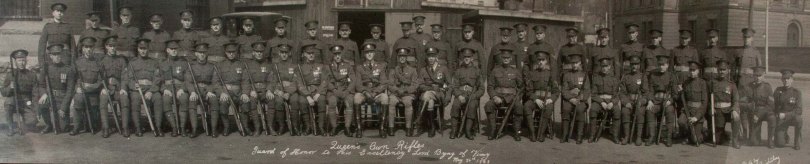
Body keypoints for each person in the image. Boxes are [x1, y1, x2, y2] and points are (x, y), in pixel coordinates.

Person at [124, 39, 164, 137]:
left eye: (145, 48)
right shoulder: (132, 63)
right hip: (137, 90)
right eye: (141, 48)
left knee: (158, 98)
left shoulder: (154, 62)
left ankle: (158, 127)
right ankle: (138, 128)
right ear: (137, 49)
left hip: (151, 89)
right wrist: (134, 85)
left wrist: (151, 91)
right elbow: (128, 79)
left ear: (148, 49)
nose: (143, 51)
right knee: (135, 99)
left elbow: (157, 78)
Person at [485, 49, 524, 141]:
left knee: (519, 107)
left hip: (512, 98)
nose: (505, 59)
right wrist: (494, 97)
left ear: (511, 59)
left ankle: (517, 131)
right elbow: (490, 86)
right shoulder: (495, 70)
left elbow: (521, 87)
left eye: (508, 58)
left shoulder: (516, 71)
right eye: (504, 58)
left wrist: (517, 98)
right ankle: (493, 129)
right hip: (499, 97)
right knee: (488, 105)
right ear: (501, 58)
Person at [37, 44, 76, 134]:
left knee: (62, 128)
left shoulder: (68, 70)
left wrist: (63, 107)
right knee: (42, 103)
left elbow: (70, 90)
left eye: (59, 54)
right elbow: (41, 84)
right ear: (50, 56)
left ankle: (59, 117)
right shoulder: (46, 69)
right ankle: (48, 124)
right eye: (54, 55)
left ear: (62, 55)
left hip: (62, 99)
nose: (57, 57)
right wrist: (44, 94)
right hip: (50, 97)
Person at [522, 50, 559, 142]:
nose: (540, 62)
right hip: (536, 99)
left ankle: (542, 133)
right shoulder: (532, 73)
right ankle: (532, 132)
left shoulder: (551, 74)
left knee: (549, 108)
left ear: (546, 61)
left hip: (547, 100)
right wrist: (535, 99)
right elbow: (529, 91)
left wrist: (551, 99)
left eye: (543, 60)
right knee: (526, 106)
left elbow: (556, 91)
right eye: (539, 60)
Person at [354, 43, 389, 138]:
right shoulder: (359, 67)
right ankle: (359, 128)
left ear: (374, 53)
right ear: (364, 54)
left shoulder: (380, 66)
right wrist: (365, 92)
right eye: (367, 52)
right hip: (365, 93)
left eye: (371, 52)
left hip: (376, 93)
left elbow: (384, 83)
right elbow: (357, 84)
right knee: (356, 97)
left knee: (385, 97)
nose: (369, 54)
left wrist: (376, 92)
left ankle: (382, 128)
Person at [214, 42, 249, 136]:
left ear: (236, 52)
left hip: (239, 92)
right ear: (225, 52)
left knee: (245, 102)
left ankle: (245, 126)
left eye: (233, 52)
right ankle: (226, 127)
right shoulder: (220, 65)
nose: (231, 54)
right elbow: (216, 82)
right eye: (229, 52)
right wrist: (221, 93)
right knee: (223, 103)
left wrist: (245, 93)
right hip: (226, 92)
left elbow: (245, 80)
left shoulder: (242, 64)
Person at [71, 37, 103, 136]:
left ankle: (89, 124)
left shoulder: (98, 62)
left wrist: (92, 86)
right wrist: (77, 88)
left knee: (92, 126)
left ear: (93, 48)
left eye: (91, 47)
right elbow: (73, 79)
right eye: (86, 47)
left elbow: (101, 80)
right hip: (81, 91)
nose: (88, 49)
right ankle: (76, 127)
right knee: (78, 98)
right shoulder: (77, 62)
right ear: (83, 48)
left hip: (93, 93)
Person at [450, 48, 484, 140]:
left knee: (472, 106)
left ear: (472, 58)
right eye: (465, 57)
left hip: (472, 95)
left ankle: (468, 130)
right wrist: (459, 95)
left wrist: (475, 96)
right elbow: (454, 86)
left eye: (468, 57)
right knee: (455, 105)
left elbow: (481, 88)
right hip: (461, 94)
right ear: (462, 58)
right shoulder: (458, 71)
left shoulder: (477, 71)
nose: (466, 58)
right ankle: (454, 130)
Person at [2, 50, 37, 136]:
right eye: (19, 60)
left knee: (32, 122)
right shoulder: (10, 74)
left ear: (26, 61)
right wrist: (10, 87)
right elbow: (3, 92)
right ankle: (10, 128)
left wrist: (34, 107)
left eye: (23, 60)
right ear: (15, 62)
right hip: (14, 100)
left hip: (26, 101)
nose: (22, 63)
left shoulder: (32, 75)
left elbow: (35, 92)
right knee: (8, 102)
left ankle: (24, 124)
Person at [736, 28, 764, 141]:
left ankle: (754, 132)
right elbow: (734, 69)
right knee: (742, 108)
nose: (746, 39)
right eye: (745, 37)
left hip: (752, 85)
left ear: (752, 38)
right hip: (741, 84)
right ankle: (744, 131)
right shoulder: (738, 52)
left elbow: (760, 70)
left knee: (753, 108)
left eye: (748, 37)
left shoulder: (756, 52)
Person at [186, 43, 219, 138]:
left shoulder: (212, 66)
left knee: (214, 100)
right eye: (200, 52)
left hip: (208, 90)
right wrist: (192, 92)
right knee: (192, 101)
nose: (202, 54)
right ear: (196, 53)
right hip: (196, 90)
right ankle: (194, 129)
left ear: (207, 53)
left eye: (204, 52)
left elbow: (215, 82)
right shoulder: (191, 66)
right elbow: (188, 81)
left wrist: (210, 91)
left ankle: (213, 129)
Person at [644, 55, 678, 147]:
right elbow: (650, 90)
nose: (661, 67)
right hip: (656, 101)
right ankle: (652, 136)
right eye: (659, 64)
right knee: (649, 110)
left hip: (667, 102)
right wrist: (650, 100)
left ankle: (669, 137)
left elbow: (675, 94)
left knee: (669, 110)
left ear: (667, 65)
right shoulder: (653, 75)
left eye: (663, 65)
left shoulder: (672, 76)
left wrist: (670, 101)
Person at [99, 36, 129, 137]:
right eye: (110, 46)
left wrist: (123, 88)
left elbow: (125, 76)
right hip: (107, 88)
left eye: (114, 46)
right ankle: (106, 128)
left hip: (119, 89)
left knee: (124, 98)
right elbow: (100, 77)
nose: (112, 48)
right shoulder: (102, 60)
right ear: (106, 46)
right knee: (103, 98)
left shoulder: (121, 60)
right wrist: (103, 88)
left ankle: (125, 127)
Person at [244, 41, 276, 136]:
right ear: (253, 52)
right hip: (253, 91)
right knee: (252, 101)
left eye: (261, 51)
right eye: (257, 51)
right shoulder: (248, 65)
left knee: (272, 99)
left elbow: (272, 80)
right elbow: (245, 80)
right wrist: (249, 91)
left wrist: (269, 90)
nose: (259, 53)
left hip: (265, 90)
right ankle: (257, 127)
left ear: (264, 53)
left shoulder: (269, 65)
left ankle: (270, 127)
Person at [325, 45, 358, 137]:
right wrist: (334, 90)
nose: (337, 56)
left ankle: (347, 127)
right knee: (332, 102)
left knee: (349, 101)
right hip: (334, 91)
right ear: (332, 55)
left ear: (341, 54)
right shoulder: (328, 67)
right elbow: (326, 81)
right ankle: (334, 127)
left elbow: (353, 80)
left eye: (339, 54)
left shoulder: (348, 66)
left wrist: (347, 91)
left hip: (345, 90)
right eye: (335, 54)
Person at [418, 47, 451, 137]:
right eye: (429, 56)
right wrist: (429, 88)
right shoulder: (423, 70)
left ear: (436, 57)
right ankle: (431, 126)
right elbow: (420, 85)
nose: (431, 58)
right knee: (430, 101)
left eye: (433, 56)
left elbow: (449, 84)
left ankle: (420, 119)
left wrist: (448, 97)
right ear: (427, 58)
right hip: (427, 94)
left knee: (427, 96)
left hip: (439, 94)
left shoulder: (443, 69)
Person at [387, 48, 421, 136]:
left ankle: (408, 127)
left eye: (404, 56)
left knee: (408, 103)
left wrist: (406, 90)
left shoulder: (412, 70)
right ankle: (391, 127)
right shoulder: (393, 70)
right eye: (400, 56)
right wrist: (397, 90)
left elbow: (415, 85)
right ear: (398, 57)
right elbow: (390, 84)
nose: (402, 58)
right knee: (391, 102)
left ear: (406, 57)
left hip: (407, 94)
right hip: (396, 94)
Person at [271, 43, 303, 136]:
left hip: (292, 91)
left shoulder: (295, 66)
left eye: (286, 52)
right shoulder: (275, 66)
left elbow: (297, 81)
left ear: (289, 53)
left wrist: (288, 92)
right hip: (280, 91)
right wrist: (279, 92)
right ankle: (281, 126)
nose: (284, 54)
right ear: (279, 53)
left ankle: (295, 126)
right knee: (278, 101)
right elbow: (273, 81)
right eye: (282, 52)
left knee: (295, 100)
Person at [298, 44, 328, 136]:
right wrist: (307, 96)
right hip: (306, 92)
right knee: (302, 101)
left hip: (318, 91)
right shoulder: (300, 68)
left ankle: (321, 127)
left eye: (312, 53)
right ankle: (308, 127)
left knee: (322, 100)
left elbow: (324, 81)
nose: (311, 55)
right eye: (308, 53)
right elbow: (299, 83)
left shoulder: (321, 66)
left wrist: (318, 93)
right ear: (304, 54)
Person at [159, 40, 188, 137]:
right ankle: (174, 127)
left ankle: (182, 128)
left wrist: (183, 88)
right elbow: (159, 80)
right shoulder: (162, 63)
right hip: (168, 87)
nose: (174, 51)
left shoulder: (183, 63)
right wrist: (164, 89)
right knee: (166, 100)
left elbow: (188, 78)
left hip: (180, 87)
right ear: (167, 50)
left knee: (184, 98)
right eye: (172, 49)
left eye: (176, 49)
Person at [741, 66, 775, 148]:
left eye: (760, 76)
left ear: (763, 76)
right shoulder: (748, 86)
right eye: (756, 75)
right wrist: (749, 107)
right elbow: (742, 102)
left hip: (765, 111)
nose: (758, 78)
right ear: (753, 75)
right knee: (754, 142)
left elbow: (771, 105)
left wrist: (759, 114)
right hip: (753, 112)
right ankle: (755, 137)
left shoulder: (767, 87)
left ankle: (770, 140)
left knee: (772, 118)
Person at [710, 60, 741, 148]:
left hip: (728, 110)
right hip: (718, 111)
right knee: (718, 141)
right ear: (717, 70)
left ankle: (735, 140)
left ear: (727, 70)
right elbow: (708, 98)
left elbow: (736, 100)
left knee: (736, 118)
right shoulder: (712, 83)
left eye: (724, 70)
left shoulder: (731, 84)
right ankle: (724, 134)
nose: (722, 72)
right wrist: (711, 107)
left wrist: (735, 110)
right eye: (720, 69)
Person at [589, 58, 621, 143]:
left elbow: (617, 95)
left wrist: (612, 103)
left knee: (617, 111)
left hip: (610, 101)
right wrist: (601, 102)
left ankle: (615, 135)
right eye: (602, 66)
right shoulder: (596, 78)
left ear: (609, 67)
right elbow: (593, 94)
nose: (604, 68)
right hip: (599, 101)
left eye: (606, 66)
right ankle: (592, 134)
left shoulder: (614, 79)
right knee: (593, 110)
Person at [677, 61, 708, 147]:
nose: (692, 72)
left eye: (694, 70)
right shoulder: (686, 82)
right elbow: (682, 99)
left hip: (698, 111)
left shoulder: (702, 83)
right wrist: (680, 91)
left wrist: (696, 117)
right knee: (681, 121)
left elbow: (704, 103)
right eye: (690, 70)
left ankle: (703, 133)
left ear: (698, 71)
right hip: (687, 109)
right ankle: (688, 135)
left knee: (696, 140)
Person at [620, 56, 647, 145]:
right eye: (632, 64)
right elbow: (622, 93)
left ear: (639, 65)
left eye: (636, 64)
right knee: (624, 111)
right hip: (629, 101)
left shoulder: (643, 76)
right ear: (630, 65)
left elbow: (646, 92)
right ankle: (627, 136)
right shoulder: (625, 76)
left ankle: (639, 137)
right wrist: (626, 102)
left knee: (640, 111)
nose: (634, 66)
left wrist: (641, 101)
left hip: (639, 101)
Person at [774, 69, 802, 150]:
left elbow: (799, 110)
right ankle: (784, 135)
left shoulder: (796, 92)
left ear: (792, 80)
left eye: (788, 79)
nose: (786, 81)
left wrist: (786, 115)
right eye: (784, 79)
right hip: (781, 118)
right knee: (780, 144)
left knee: (799, 119)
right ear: (781, 80)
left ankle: (796, 142)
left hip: (792, 117)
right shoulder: (778, 90)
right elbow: (773, 105)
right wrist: (776, 115)